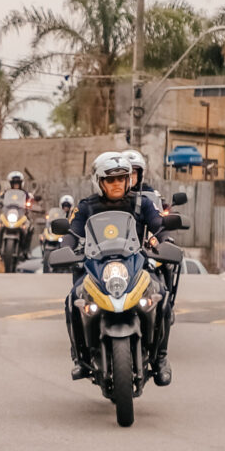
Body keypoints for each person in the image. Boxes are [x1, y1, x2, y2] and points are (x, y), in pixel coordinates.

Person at [61, 151, 170, 383]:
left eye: (121, 178)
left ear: (129, 179)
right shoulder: (87, 206)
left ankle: (160, 358)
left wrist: (166, 242)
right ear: (99, 181)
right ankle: (79, 358)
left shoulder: (142, 204)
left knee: (162, 294)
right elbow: (72, 232)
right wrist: (65, 249)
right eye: (110, 180)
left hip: (135, 264)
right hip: (96, 265)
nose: (117, 184)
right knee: (73, 299)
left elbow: (159, 227)